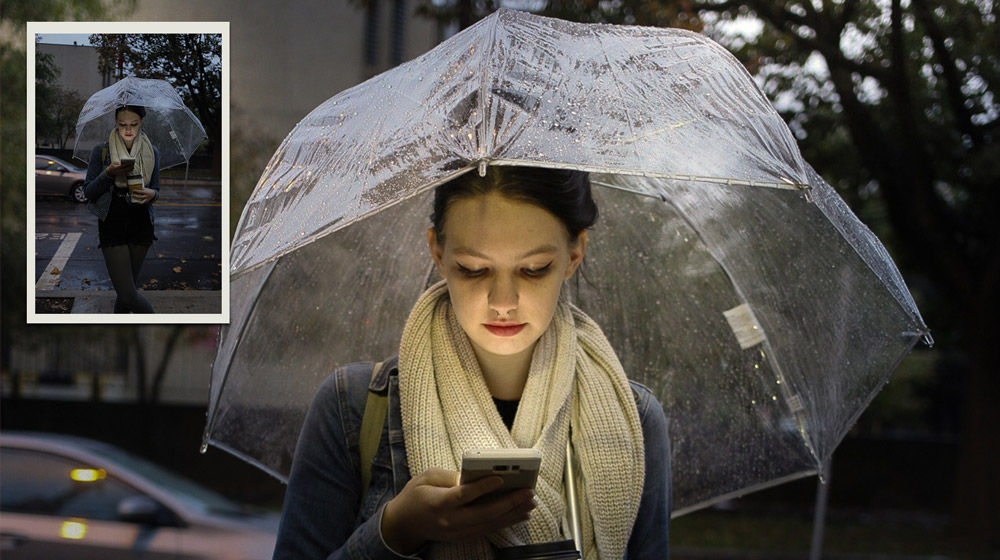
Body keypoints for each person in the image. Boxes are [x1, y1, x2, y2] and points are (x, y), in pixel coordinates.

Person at [273, 166, 671, 559]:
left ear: (574, 254)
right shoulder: (353, 408)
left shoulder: (634, 419)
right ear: (438, 252)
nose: (503, 302)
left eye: (534, 270)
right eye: (473, 269)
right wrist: (395, 531)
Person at [83, 105, 160, 313]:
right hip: (112, 222)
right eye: (122, 124)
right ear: (115, 122)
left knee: (126, 294)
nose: (128, 129)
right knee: (127, 293)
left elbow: (156, 188)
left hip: (141, 221)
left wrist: (153, 194)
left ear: (142, 122)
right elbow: (88, 191)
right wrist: (108, 173)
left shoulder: (152, 151)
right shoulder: (102, 150)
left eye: (133, 124)